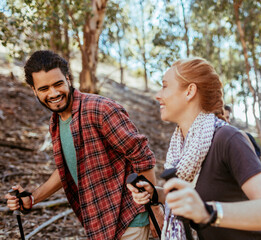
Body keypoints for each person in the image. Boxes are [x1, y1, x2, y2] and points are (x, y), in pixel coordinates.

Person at [127, 57, 261, 239]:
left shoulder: (227, 138)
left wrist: (207, 212)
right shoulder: (182, 148)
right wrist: (158, 194)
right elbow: (203, 192)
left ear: (190, 91)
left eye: (165, 86)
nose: (158, 95)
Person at [5, 50, 156, 240]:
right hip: (101, 224)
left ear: (68, 79)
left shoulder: (100, 109)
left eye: (58, 84)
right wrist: (32, 199)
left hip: (129, 220)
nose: (53, 93)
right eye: (44, 88)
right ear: (34, 90)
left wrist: (154, 208)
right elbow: (66, 169)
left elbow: (142, 156)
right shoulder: (56, 122)